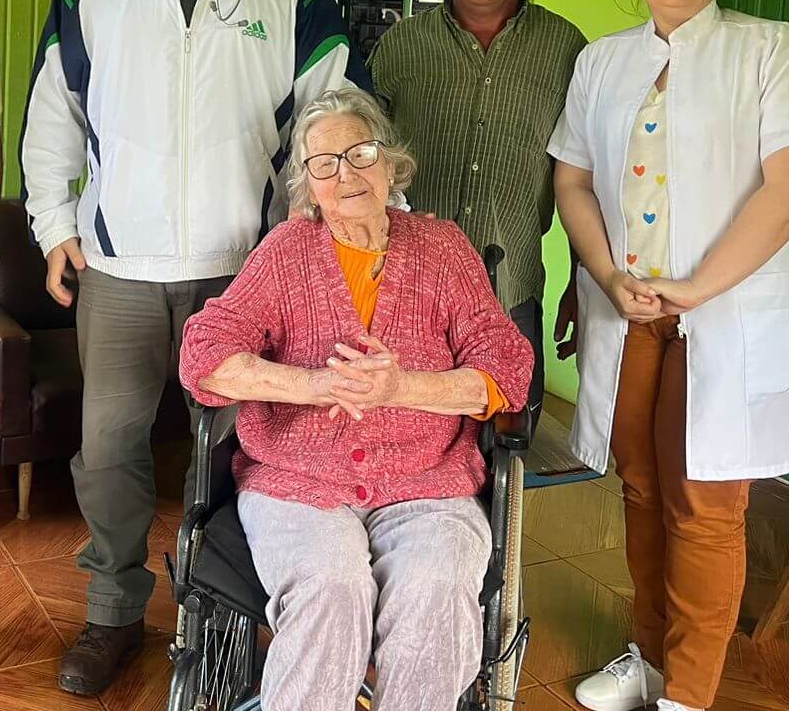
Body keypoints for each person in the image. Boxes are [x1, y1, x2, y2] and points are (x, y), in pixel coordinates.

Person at [21, 0, 369, 694]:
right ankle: (113, 614)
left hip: (246, 269)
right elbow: (55, 109)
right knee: (109, 450)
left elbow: (332, 113)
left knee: (247, 450)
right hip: (119, 266)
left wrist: (311, 233)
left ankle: (226, 617)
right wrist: (54, 224)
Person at [548, 0, 789, 711]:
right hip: (629, 313)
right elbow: (572, 181)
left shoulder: (768, 49)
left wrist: (694, 290)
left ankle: (687, 691)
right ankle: (646, 656)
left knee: (706, 503)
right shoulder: (602, 62)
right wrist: (607, 276)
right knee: (641, 489)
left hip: (723, 313)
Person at [178, 88, 533, 711]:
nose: (345, 175)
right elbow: (204, 354)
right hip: (297, 482)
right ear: (308, 185)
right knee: (331, 588)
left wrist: (402, 388)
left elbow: (507, 366)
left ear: (390, 163)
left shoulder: (444, 248)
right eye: (324, 163)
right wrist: (314, 384)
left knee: (437, 587)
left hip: (428, 482)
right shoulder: (286, 252)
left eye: (360, 153)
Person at [369, 0, 586, 427]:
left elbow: (587, 176)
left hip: (510, 287)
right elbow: (362, 162)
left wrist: (583, 283)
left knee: (508, 440)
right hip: (404, 290)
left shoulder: (567, 50)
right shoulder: (400, 47)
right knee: (405, 439)